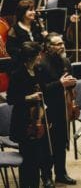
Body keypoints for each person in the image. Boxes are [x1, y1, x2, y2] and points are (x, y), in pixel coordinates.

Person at [7, 41, 54, 188]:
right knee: (28, 159)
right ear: (30, 57)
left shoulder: (39, 70)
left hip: (39, 118)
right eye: (38, 54)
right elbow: (10, 99)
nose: (40, 56)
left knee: (39, 155)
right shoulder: (17, 74)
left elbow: (44, 89)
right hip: (24, 121)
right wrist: (29, 97)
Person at [34, 33, 77, 185]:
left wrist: (72, 83)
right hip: (47, 109)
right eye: (57, 44)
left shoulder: (65, 61)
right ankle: (46, 176)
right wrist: (60, 84)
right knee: (47, 144)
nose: (62, 46)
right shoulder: (41, 64)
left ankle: (61, 172)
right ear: (48, 46)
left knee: (61, 142)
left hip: (63, 107)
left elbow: (69, 82)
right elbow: (42, 89)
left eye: (62, 43)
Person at [6, 0, 47, 66]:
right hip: (23, 62)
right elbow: (11, 49)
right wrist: (25, 54)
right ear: (22, 12)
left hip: (38, 60)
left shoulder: (36, 25)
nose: (34, 12)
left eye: (34, 10)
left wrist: (45, 37)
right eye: (30, 10)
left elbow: (41, 44)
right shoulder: (15, 29)